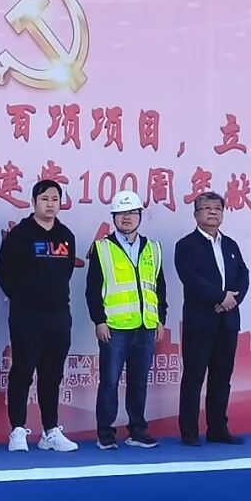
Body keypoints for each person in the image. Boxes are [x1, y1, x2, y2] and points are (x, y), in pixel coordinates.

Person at [0, 179, 78, 452]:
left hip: (59, 315)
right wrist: (23, 297)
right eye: (44, 199)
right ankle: (17, 430)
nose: (50, 204)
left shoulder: (66, 235)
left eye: (55, 199)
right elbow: (2, 272)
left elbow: (66, 270)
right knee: (23, 371)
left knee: (52, 374)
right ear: (33, 202)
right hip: (26, 316)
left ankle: (50, 431)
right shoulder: (20, 235)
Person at [86, 190, 166, 450]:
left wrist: (160, 319)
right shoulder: (102, 248)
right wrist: (99, 321)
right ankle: (105, 434)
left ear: (140, 215)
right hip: (115, 327)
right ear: (113, 217)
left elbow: (159, 287)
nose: (127, 218)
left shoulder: (153, 248)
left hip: (146, 326)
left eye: (132, 212)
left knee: (139, 383)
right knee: (109, 383)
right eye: (121, 213)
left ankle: (138, 431)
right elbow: (92, 289)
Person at [175, 191, 250, 446]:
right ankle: (189, 431)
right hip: (200, 322)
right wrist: (220, 297)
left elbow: (243, 276)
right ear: (196, 214)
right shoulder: (186, 245)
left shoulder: (230, 245)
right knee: (194, 377)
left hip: (228, 322)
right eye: (207, 208)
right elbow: (191, 279)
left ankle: (218, 428)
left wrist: (232, 300)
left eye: (217, 208)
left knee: (221, 378)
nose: (213, 212)